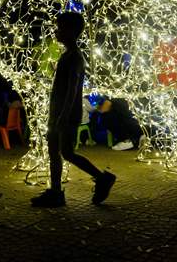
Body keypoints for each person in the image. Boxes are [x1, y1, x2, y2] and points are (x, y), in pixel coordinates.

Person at [31, 12, 116, 208]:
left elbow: (71, 91)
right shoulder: (68, 55)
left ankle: (101, 178)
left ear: (70, 31)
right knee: (55, 152)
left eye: (60, 28)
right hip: (59, 113)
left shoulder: (75, 58)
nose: (56, 31)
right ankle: (56, 191)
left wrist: (62, 116)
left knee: (66, 153)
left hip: (65, 115)